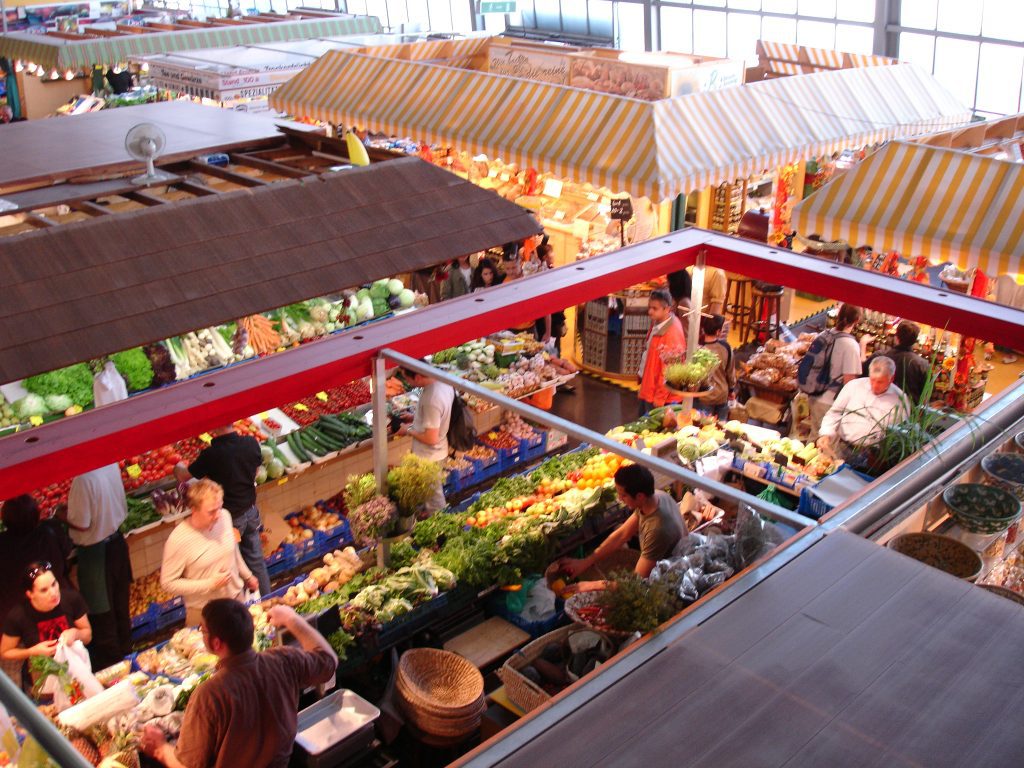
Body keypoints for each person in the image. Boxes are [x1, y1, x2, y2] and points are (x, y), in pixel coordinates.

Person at [140, 599, 337, 768]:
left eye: (203, 630)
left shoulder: (209, 695)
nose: (201, 633)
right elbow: (329, 661)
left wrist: (160, 749)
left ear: (216, 643)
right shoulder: (283, 660)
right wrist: (291, 618)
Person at [175, 424, 270, 597]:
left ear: (214, 426)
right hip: (250, 513)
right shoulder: (251, 442)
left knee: (232, 566)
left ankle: (241, 607)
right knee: (256, 559)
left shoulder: (211, 454)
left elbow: (184, 476)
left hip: (230, 521)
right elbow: (255, 472)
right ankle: (267, 598)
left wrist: (178, 466)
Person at [557, 464, 684, 590]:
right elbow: (622, 534)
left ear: (640, 496)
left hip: (671, 581)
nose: (619, 499)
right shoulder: (655, 497)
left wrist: (592, 585)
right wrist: (585, 562)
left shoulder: (657, 530)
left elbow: (636, 582)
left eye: (623, 496)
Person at [60, 464, 133, 669]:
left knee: (102, 614)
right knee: (121, 607)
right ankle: (128, 655)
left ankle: (114, 668)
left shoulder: (82, 480)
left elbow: (82, 523)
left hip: (96, 553)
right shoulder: (110, 464)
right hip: (118, 544)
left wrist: (60, 515)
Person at [160, 480, 258, 627]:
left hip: (236, 600)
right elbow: (168, 583)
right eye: (211, 511)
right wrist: (209, 584)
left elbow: (232, 549)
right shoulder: (178, 540)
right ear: (194, 510)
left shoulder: (225, 516)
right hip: (204, 613)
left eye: (220, 507)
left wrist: (247, 575)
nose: (218, 515)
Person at [1, 562, 91, 693]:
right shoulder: (18, 616)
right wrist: (32, 651)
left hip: (79, 675)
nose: (53, 593)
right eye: (44, 590)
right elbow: (5, 652)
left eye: (54, 584)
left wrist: (75, 633)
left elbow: (88, 635)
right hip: (44, 682)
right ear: (30, 594)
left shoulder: (72, 599)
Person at [817, 356, 908, 462]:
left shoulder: (900, 400)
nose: (874, 385)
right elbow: (835, 413)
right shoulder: (854, 386)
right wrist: (826, 434)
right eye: (872, 380)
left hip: (874, 457)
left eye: (880, 382)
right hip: (843, 448)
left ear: (891, 379)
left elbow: (901, 434)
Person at [0, 496, 73, 629]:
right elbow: (67, 551)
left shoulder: (2, 544)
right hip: (53, 609)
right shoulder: (50, 531)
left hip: (15, 617)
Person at [397, 369, 455, 515]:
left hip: (430, 457)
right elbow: (437, 417)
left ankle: (442, 531)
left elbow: (431, 438)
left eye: (407, 379)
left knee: (434, 500)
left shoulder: (432, 400)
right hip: (437, 451)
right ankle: (428, 518)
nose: (407, 383)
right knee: (427, 493)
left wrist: (407, 430)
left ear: (417, 377)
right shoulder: (443, 383)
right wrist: (416, 417)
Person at [807, 303, 865, 441]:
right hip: (830, 401)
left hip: (814, 394)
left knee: (814, 435)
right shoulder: (850, 345)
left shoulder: (823, 335)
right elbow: (849, 382)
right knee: (826, 442)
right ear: (856, 321)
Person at [638, 288, 686, 416]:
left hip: (661, 399)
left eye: (655, 308)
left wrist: (659, 399)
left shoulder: (671, 334)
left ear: (667, 309)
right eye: (649, 307)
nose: (650, 312)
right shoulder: (660, 324)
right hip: (650, 390)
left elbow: (668, 371)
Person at [867, 320, 930, 406]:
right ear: (915, 341)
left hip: (877, 407)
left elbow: (862, 379)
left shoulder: (879, 357)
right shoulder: (922, 365)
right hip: (907, 413)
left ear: (896, 337)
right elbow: (926, 396)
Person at [695, 314, 735, 421]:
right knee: (720, 429)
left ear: (703, 329)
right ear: (718, 331)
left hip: (704, 397)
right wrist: (732, 390)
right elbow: (730, 373)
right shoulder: (726, 347)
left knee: (703, 429)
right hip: (722, 395)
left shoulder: (698, 350)